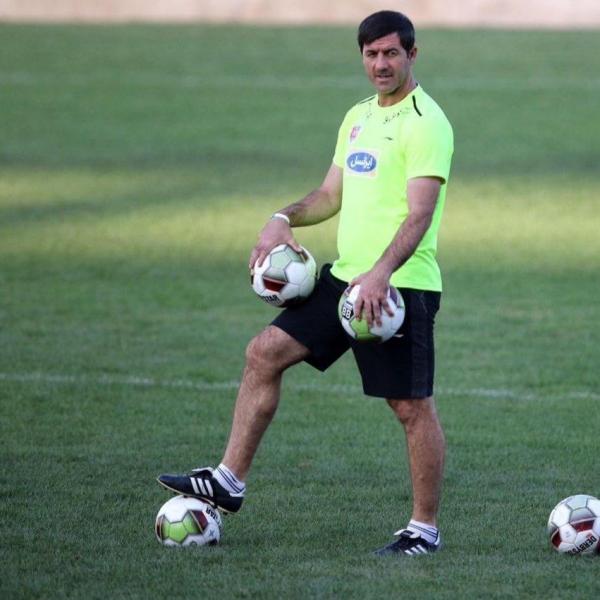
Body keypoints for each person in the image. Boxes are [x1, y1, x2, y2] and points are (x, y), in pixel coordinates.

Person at [158, 10, 454, 556]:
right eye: (371, 54)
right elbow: (329, 196)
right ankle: (228, 480)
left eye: (391, 53)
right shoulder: (358, 117)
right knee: (264, 352)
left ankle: (424, 529)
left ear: (412, 55)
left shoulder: (426, 122)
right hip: (343, 278)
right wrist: (283, 218)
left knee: (410, 406)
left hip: (398, 287)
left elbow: (420, 214)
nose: (381, 64)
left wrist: (381, 274)